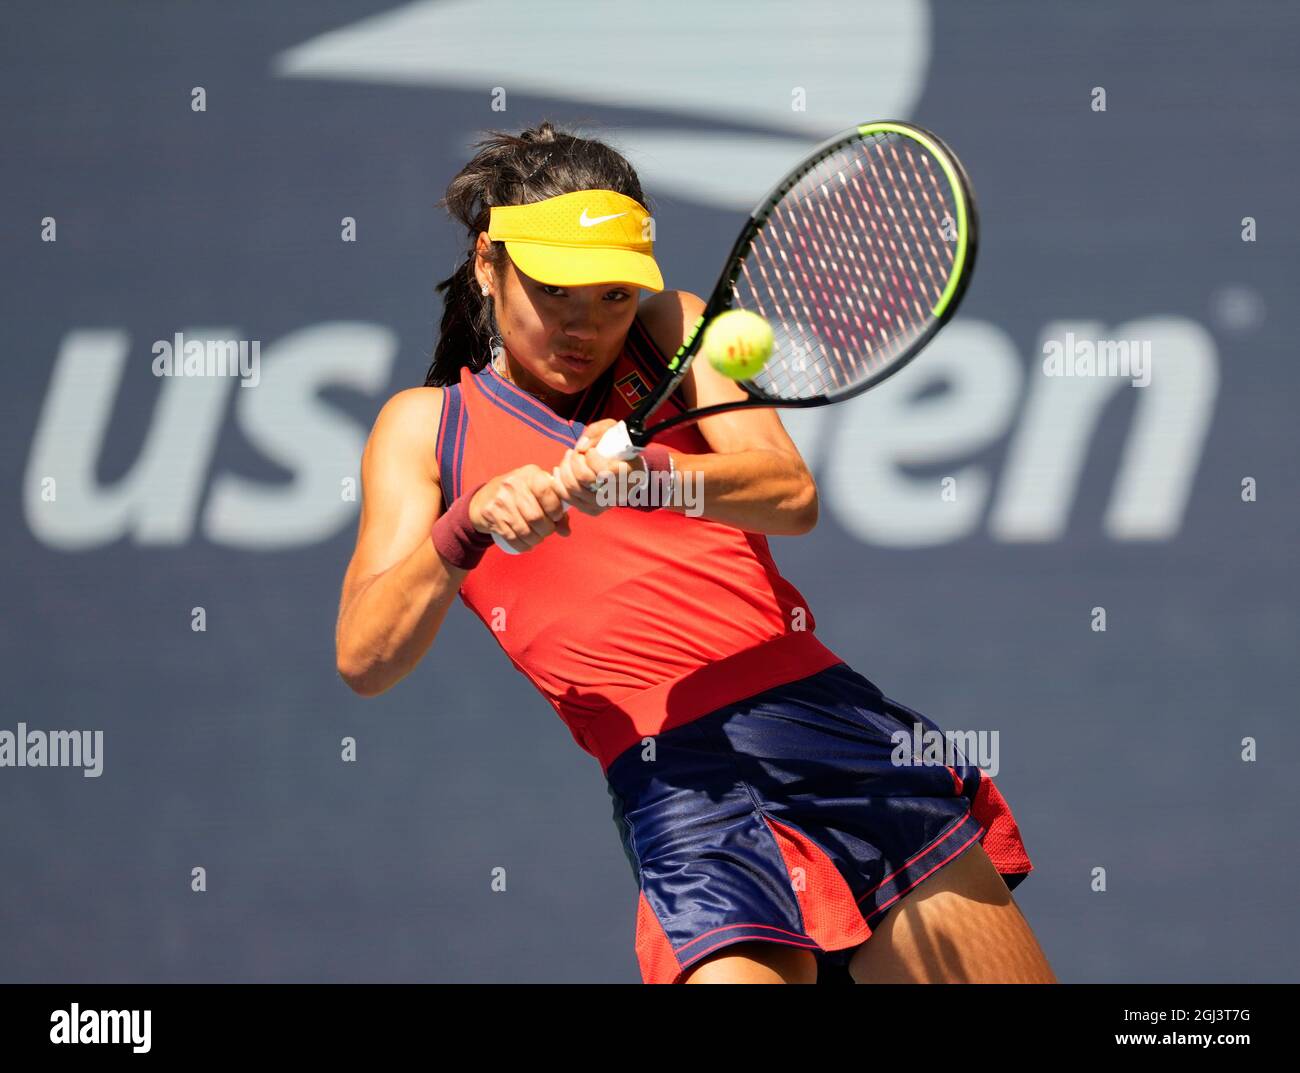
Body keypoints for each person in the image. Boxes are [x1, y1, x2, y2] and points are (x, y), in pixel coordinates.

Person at [335, 120, 1057, 985]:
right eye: (558, 290)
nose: (585, 323)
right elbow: (365, 657)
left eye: (610, 295)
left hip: (820, 725)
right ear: (490, 264)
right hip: (674, 784)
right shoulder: (424, 429)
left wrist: (653, 477)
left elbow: (790, 495)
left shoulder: (673, 330)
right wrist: (468, 525)